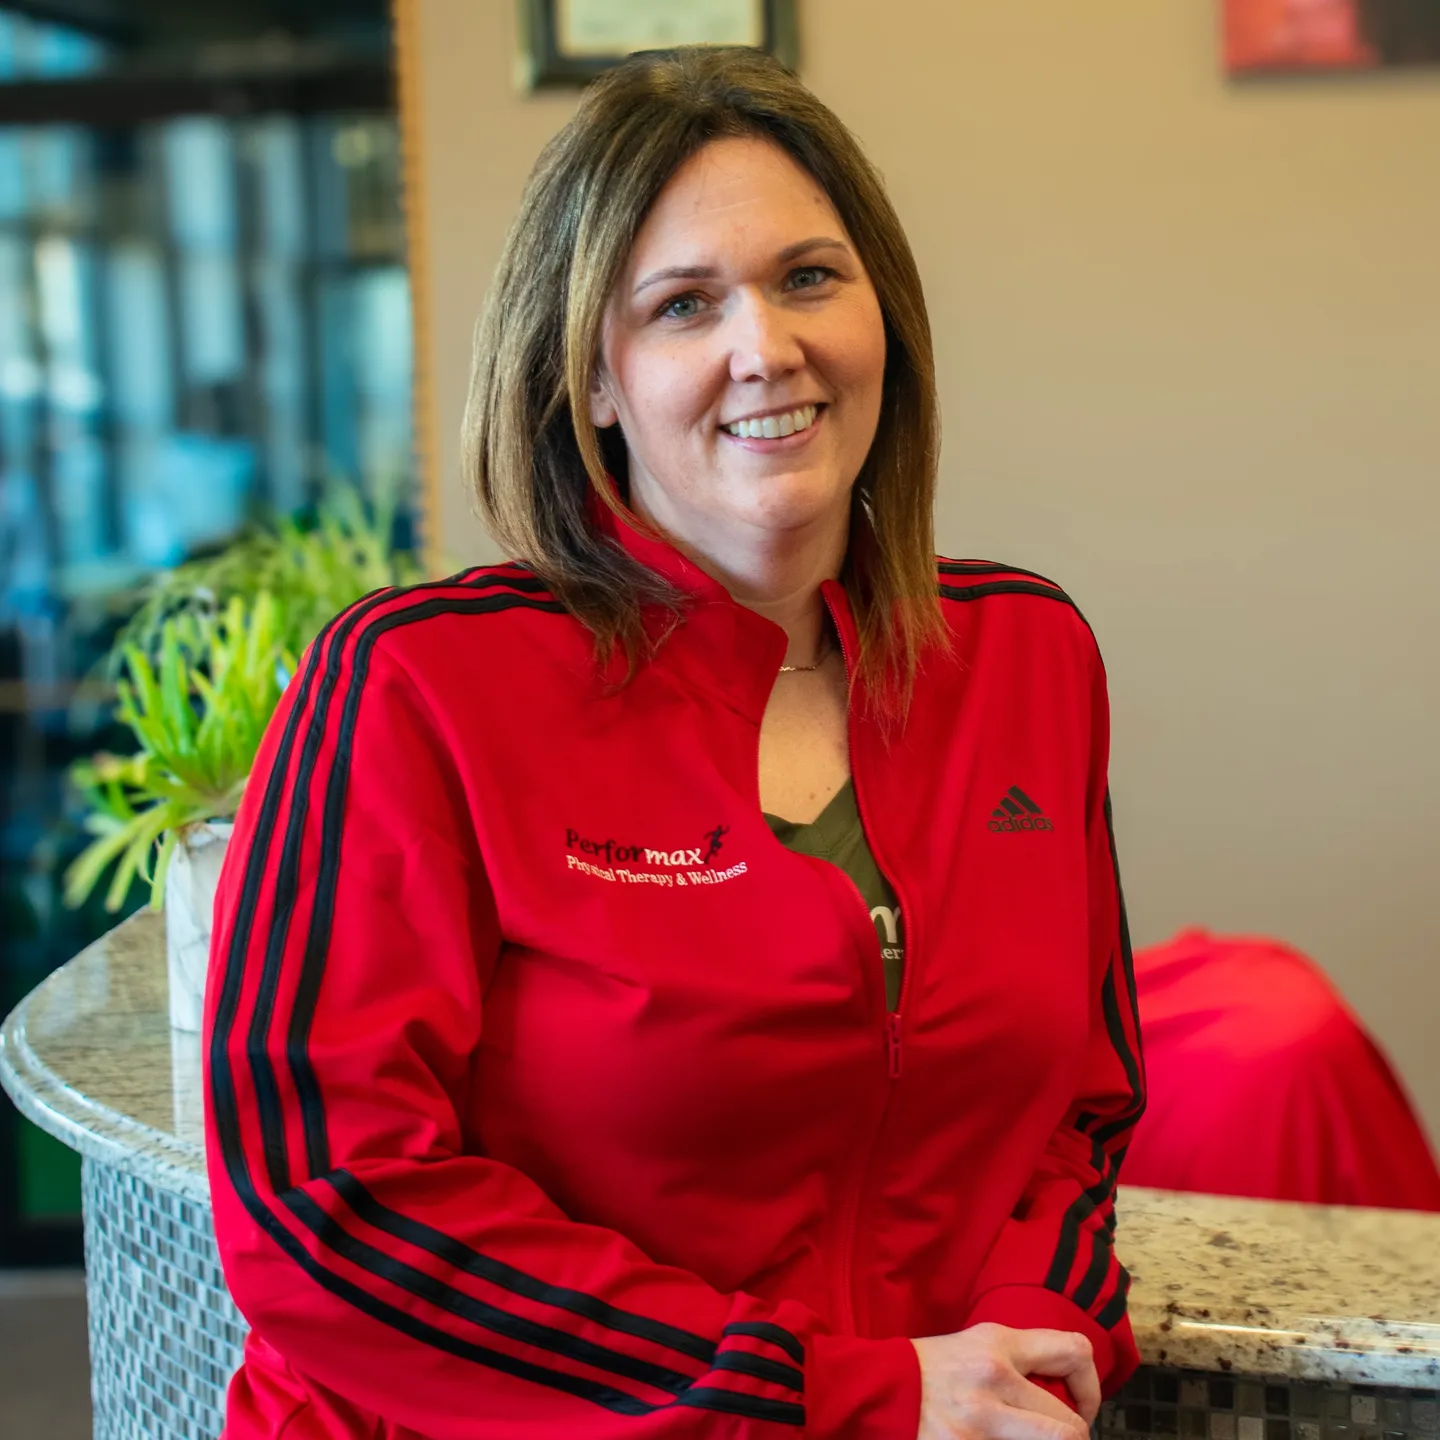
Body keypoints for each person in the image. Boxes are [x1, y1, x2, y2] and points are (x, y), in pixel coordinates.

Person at [204, 46, 1144, 1440]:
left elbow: (1081, 1101)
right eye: (683, 305)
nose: (766, 346)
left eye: (810, 277)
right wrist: (835, 1399)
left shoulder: (1026, 655)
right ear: (590, 378)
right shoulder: (411, 687)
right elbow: (323, 1206)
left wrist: (1034, 1333)